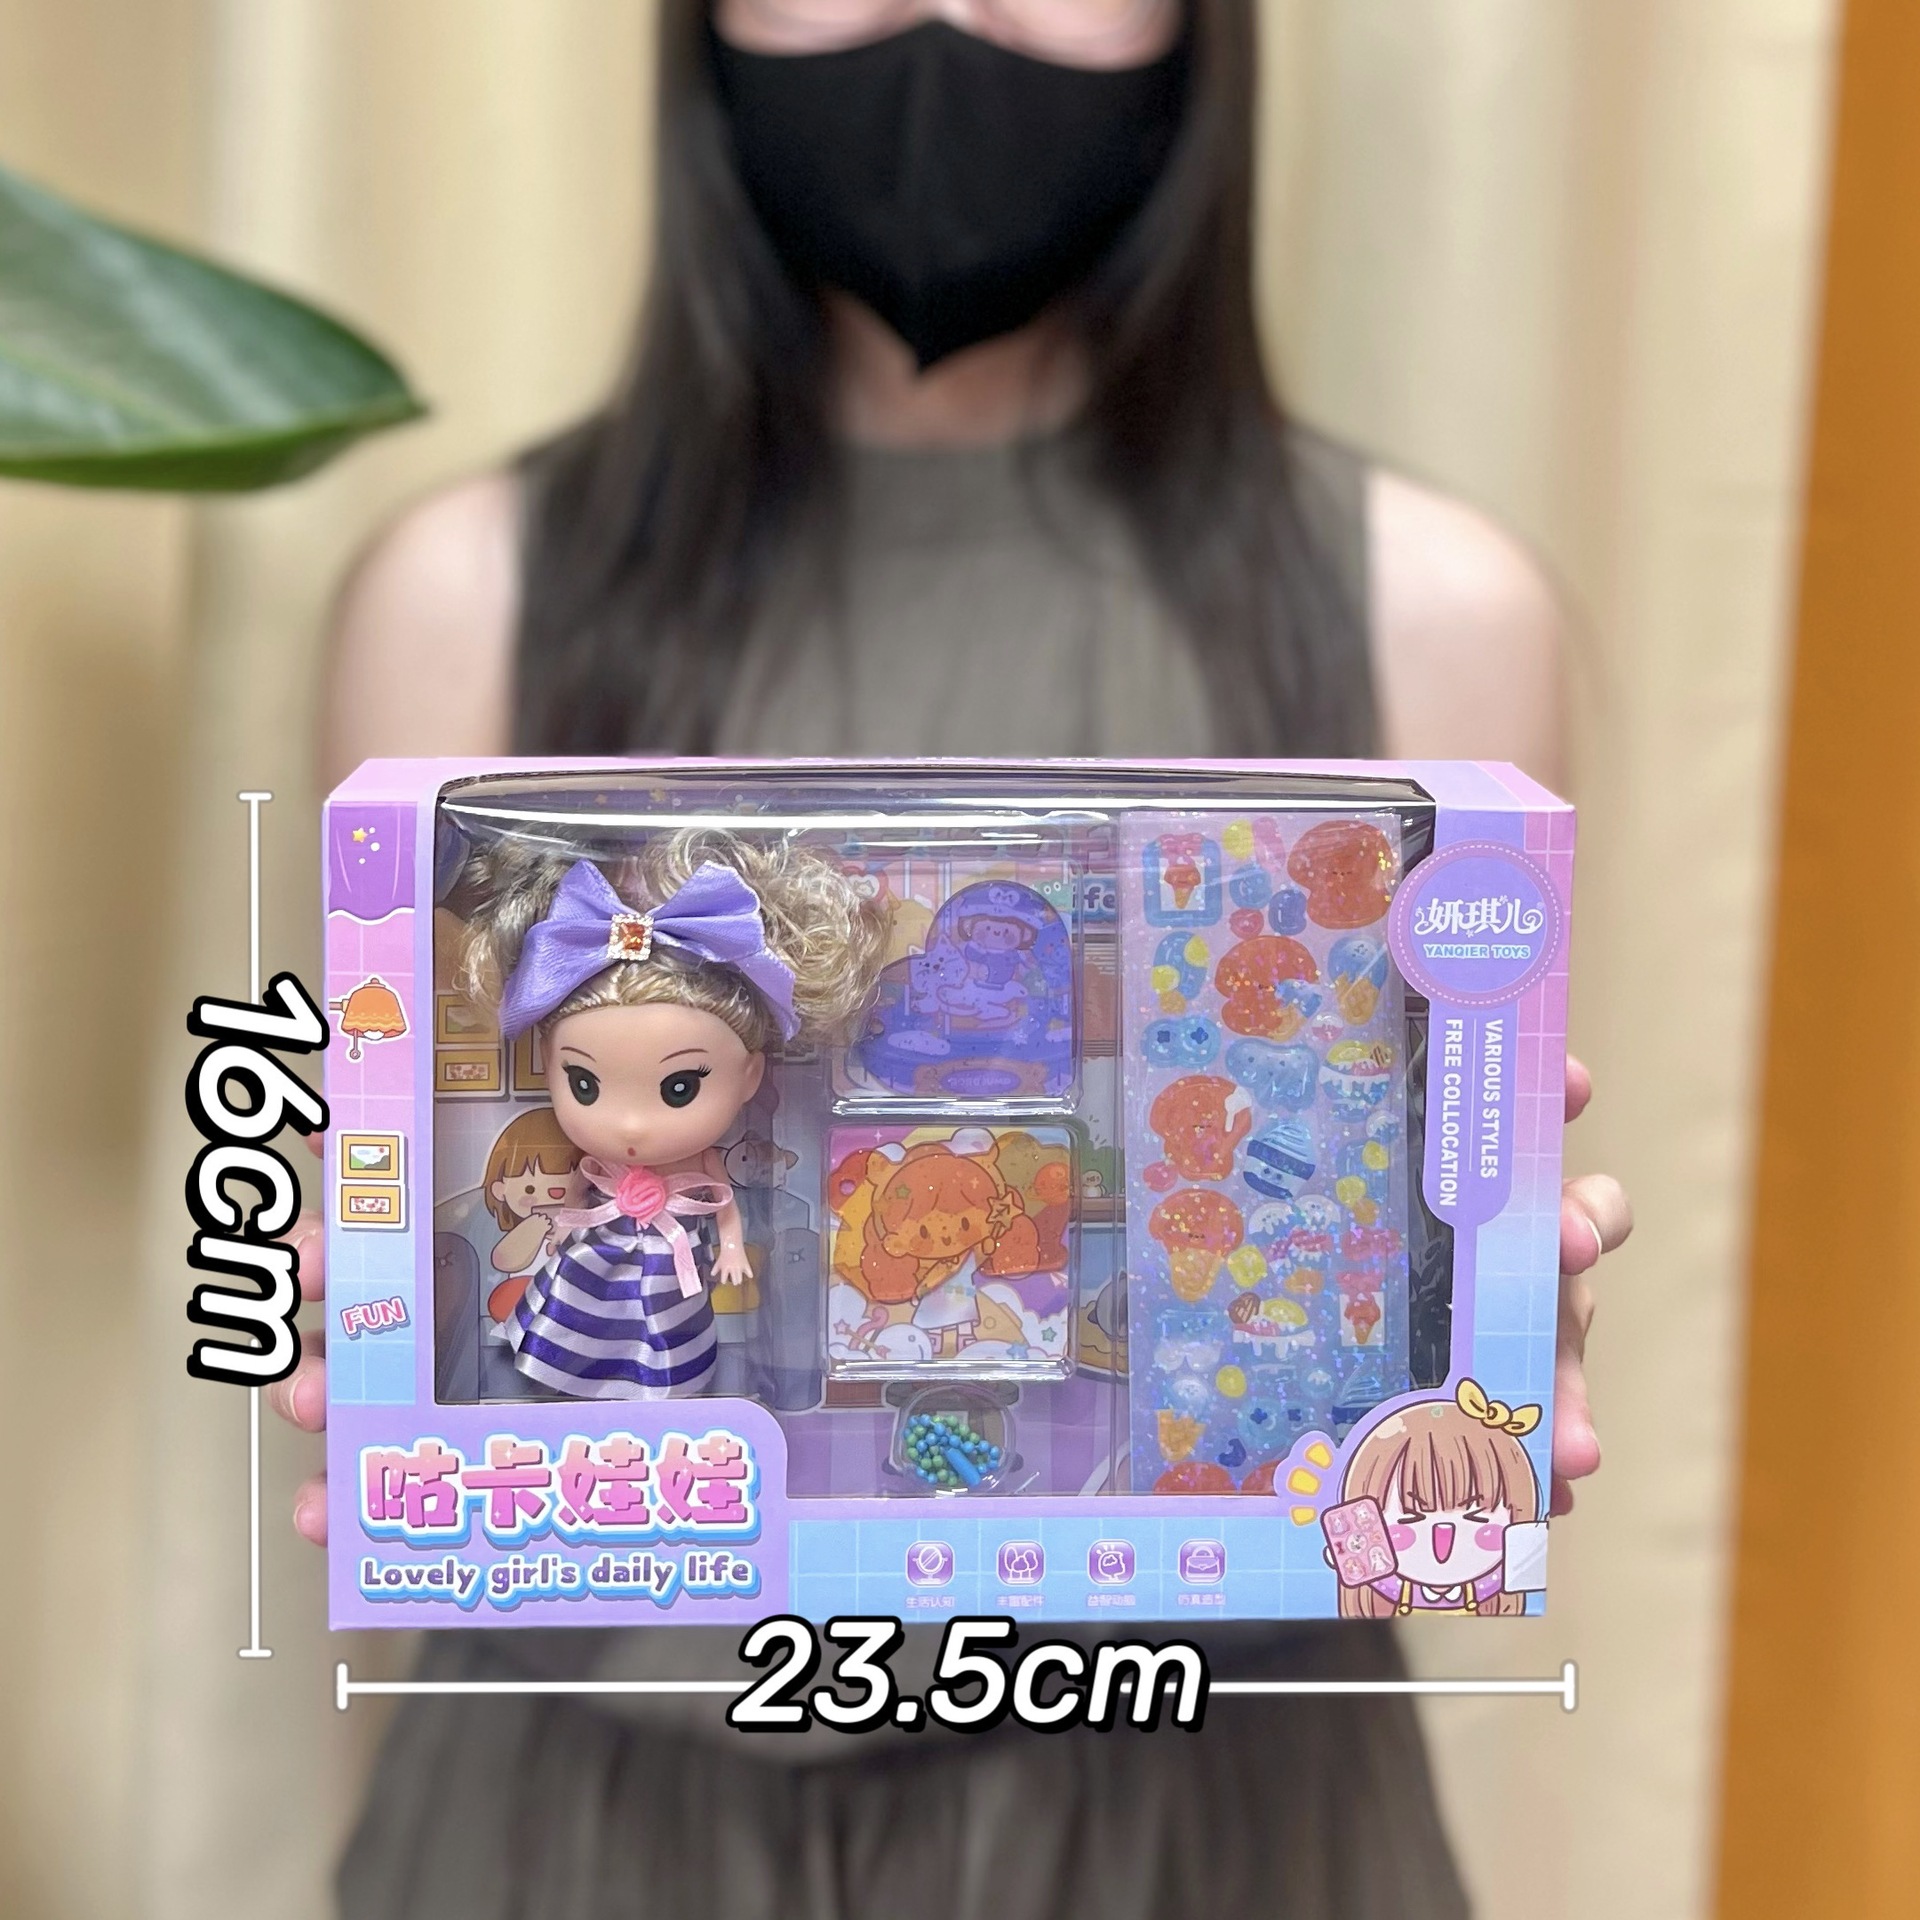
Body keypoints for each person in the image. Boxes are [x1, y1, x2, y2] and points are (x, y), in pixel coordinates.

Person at [274, 2, 1633, 1914]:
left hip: (1218, 1815)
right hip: (580, 1808)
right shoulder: (463, 599)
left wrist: (1473, 1347)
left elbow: (1440, 1281)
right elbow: (412, 1218)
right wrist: (365, 1296)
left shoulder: (1436, 615)